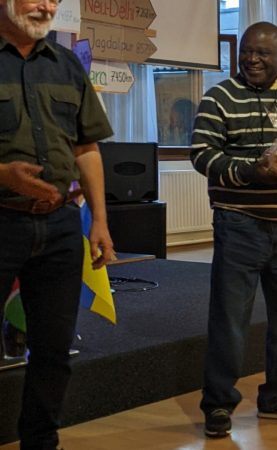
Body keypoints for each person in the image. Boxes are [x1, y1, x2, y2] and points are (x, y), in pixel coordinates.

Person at [191, 21, 277, 438]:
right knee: (230, 319)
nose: (251, 58)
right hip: (239, 224)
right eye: (246, 51)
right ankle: (218, 404)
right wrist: (251, 173)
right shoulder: (219, 99)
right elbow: (201, 155)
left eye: (262, 53)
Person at [0, 0, 115, 448]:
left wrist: (100, 222)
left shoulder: (66, 65)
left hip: (61, 226)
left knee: (52, 349)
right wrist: (4, 175)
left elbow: (87, 149)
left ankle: (41, 441)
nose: (48, 6)